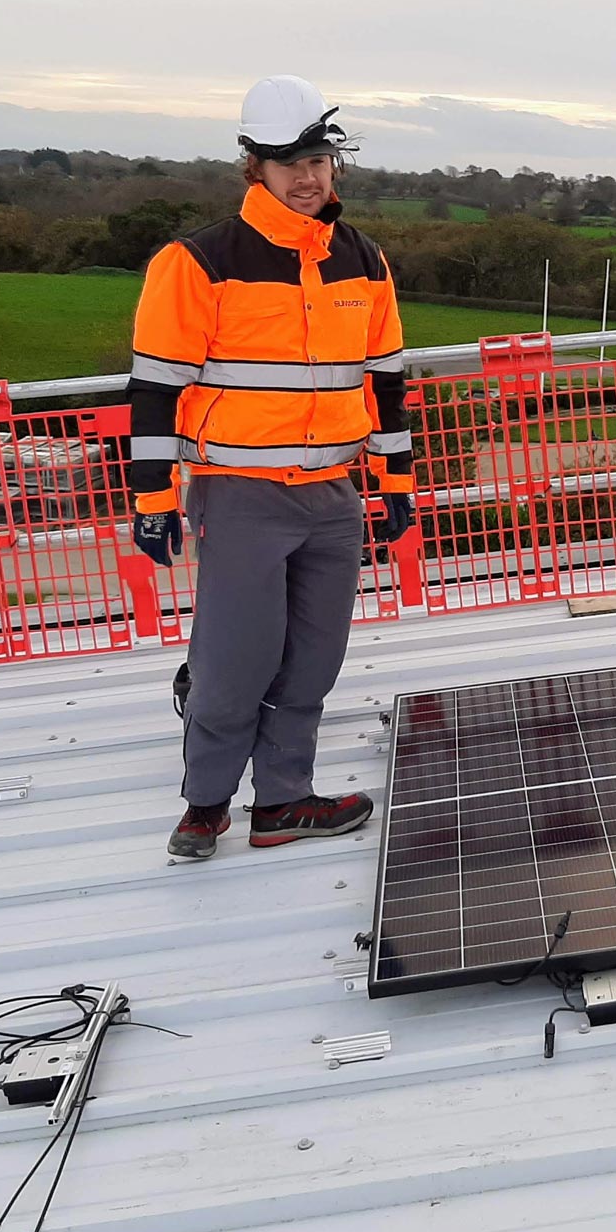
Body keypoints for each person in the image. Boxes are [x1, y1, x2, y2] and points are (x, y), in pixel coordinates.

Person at [126, 75, 415, 858]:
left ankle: (284, 802)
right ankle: (206, 804)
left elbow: (386, 383)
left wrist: (395, 484)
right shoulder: (197, 261)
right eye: (286, 160)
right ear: (253, 165)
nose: (306, 176)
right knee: (233, 659)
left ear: (336, 164)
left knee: (313, 660)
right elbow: (155, 390)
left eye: (318, 157)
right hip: (241, 493)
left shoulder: (364, 259)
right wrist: (152, 498)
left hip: (330, 493)